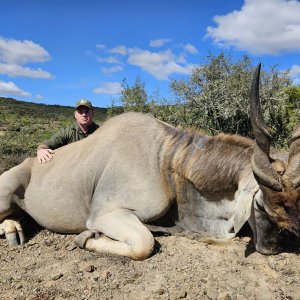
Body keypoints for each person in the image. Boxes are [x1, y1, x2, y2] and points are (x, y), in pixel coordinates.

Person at [37, 99, 99, 164]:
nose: (84, 114)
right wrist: (41, 150)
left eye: (87, 111)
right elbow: (47, 144)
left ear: (92, 113)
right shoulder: (67, 132)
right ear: (75, 115)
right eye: (80, 112)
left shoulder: (99, 130)